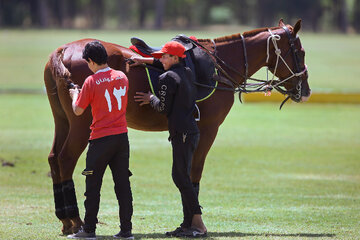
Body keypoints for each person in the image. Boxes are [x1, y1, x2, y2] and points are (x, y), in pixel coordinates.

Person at [133, 41, 207, 237]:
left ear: (175, 58)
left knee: (180, 177)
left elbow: (162, 109)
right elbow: (169, 67)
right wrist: (144, 60)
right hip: (191, 132)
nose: (161, 59)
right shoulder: (187, 72)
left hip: (181, 133)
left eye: (165, 56)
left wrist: (151, 98)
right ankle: (186, 224)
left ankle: (198, 224)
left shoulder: (166, 78)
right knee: (182, 176)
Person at [67, 41, 134, 240]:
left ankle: (89, 230)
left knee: (92, 185)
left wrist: (74, 94)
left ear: (90, 61)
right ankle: (126, 230)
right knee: (123, 186)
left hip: (100, 141)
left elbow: (78, 110)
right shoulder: (122, 76)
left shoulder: (91, 81)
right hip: (122, 138)